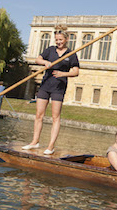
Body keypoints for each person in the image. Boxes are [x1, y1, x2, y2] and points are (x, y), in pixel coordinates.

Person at [22, 25, 80, 155]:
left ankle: (51, 146)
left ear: (66, 39)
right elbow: (38, 59)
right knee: (39, 115)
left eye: (60, 40)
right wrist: (45, 63)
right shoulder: (50, 50)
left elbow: (76, 71)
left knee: (55, 117)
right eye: (57, 40)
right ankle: (34, 142)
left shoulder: (71, 54)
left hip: (58, 88)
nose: (58, 42)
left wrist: (62, 74)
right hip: (45, 85)